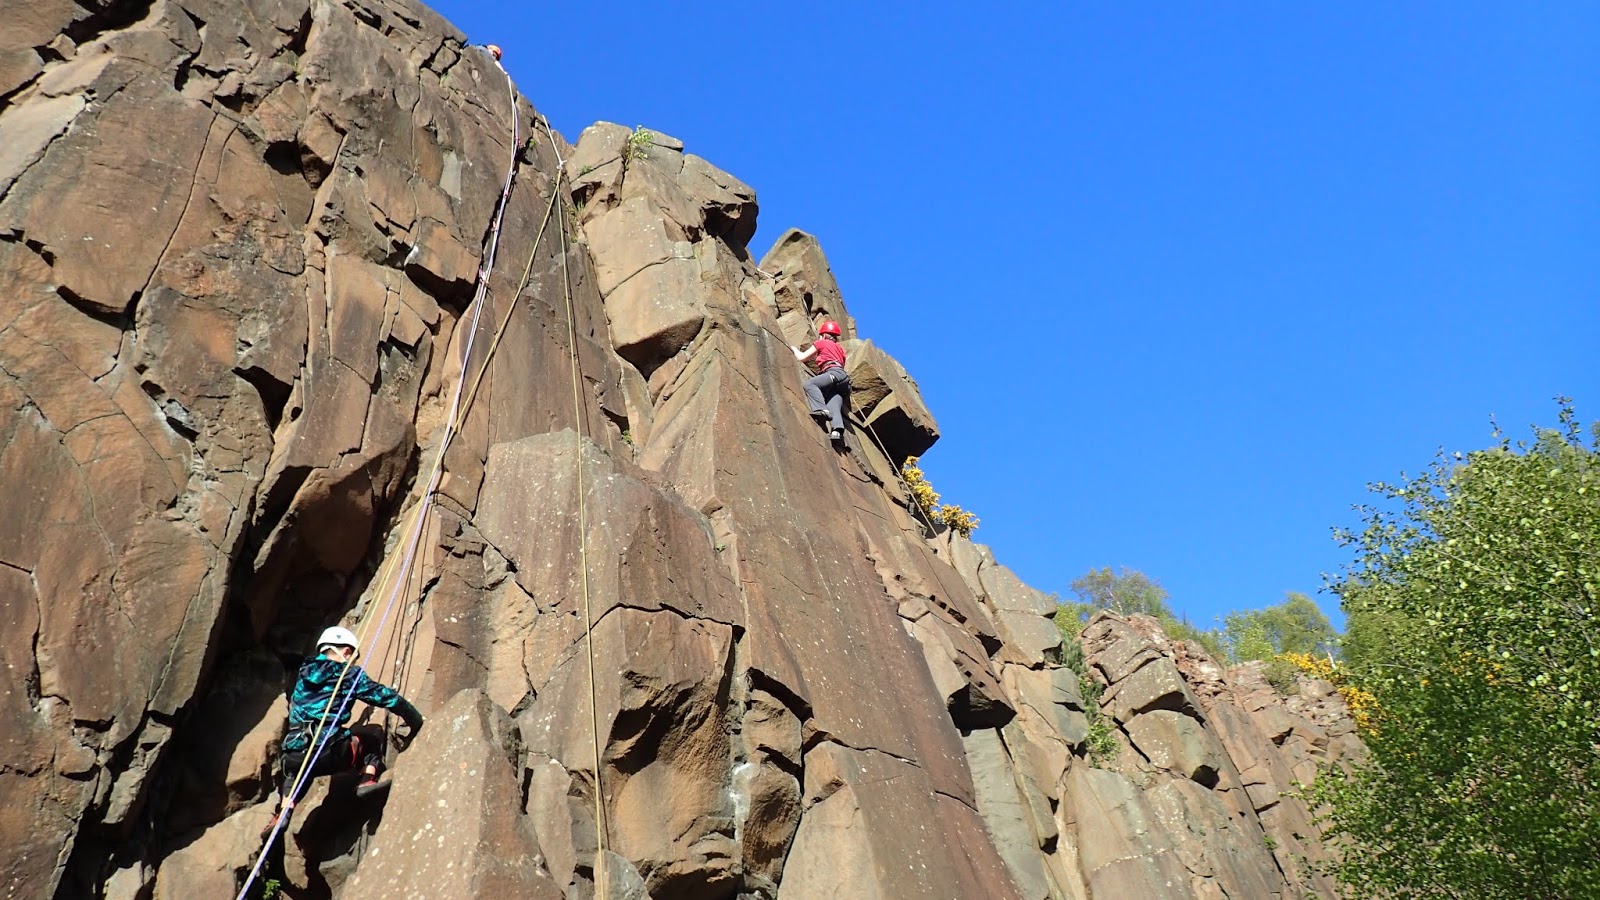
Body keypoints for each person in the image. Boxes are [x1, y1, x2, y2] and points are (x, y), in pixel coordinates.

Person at [277, 626, 423, 807]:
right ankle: (366, 781)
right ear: (346, 652)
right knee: (370, 741)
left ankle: (284, 811)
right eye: (353, 658)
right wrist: (415, 719)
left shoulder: (303, 673)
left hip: (292, 752)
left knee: (296, 773)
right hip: (328, 750)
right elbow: (386, 697)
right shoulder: (348, 674)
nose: (353, 663)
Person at [792, 320, 850, 444]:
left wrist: (793, 349)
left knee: (810, 384)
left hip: (833, 373)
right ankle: (837, 431)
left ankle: (821, 410)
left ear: (823, 335)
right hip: (843, 380)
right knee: (833, 401)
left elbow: (801, 357)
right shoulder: (840, 349)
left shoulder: (821, 342)